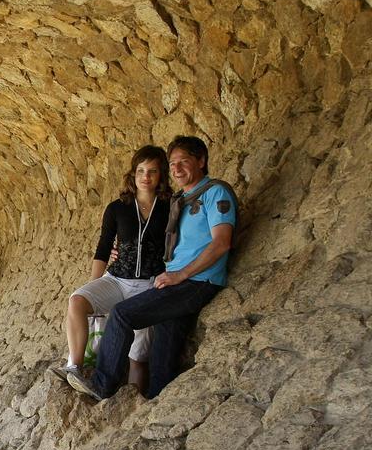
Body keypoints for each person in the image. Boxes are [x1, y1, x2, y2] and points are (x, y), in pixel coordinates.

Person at [68, 136, 236, 401]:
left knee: (123, 315)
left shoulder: (215, 193)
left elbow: (221, 243)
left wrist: (180, 274)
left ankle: (102, 384)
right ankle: (158, 399)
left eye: (184, 162)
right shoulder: (181, 200)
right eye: (173, 164)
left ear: (202, 161)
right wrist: (120, 250)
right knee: (164, 349)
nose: (178, 169)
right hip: (174, 280)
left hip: (194, 281)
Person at [52, 146, 172, 388]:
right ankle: (75, 366)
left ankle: (132, 402)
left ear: (161, 175)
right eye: (140, 171)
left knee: (138, 357)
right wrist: (94, 283)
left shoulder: (171, 207)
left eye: (152, 171)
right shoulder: (118, 208)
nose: (145, 177)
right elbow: (104, 248)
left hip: (149, 285)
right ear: (133, 174)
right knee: (77, 301)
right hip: (116, 280)